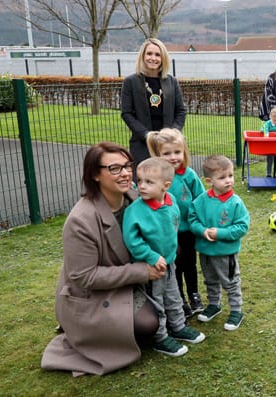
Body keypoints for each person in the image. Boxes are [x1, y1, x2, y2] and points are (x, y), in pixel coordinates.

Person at [41, 142, 165, 376]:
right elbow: (84, 277)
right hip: (92, 293)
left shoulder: (133, 196)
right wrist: (142, 271)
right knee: (149, 323)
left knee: (166, 304)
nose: (126, 173)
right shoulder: (81, 220)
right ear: (95, 175)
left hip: (123, 278)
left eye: (128, 165)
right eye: (115, 168)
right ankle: (79, 335)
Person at [122, 157, 206, 356]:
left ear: (166, 186)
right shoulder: (135, 211)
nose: (141, 186)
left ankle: (178, 326)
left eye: (149, 182)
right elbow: (132, 240)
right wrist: (150, 256)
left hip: (170, 262)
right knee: (156, 301)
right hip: (151, 267)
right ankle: (160, 337)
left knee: (174, 295)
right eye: (140, 180)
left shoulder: (171, 201)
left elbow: (172, 226)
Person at [147, 128, 205, 317]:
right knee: (174, 267)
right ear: (157, 155)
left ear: (184, 152)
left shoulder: (189, 175)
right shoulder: (157, 179)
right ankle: (180, 300)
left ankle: (194, 294)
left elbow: (201, 199)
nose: (173, 157)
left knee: (189, 263)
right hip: (168, 233)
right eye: (166, 153)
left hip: (188, 231)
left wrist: (200, 222)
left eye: (177, 152)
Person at [189, 155, 250, 331]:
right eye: (222, 178)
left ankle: (236, 310)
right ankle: (214, 305)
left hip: (226, 253)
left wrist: (220, 233)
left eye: (230, 175)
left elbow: (242, 227)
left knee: (231, 281)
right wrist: (202, 231)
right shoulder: (200, 200)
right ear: (209, 181)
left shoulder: (236, 203)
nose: (228, 181)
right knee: (210, 280)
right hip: (205, 251)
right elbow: (192, 219)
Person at [121, 38, 187, 175]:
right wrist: (146, 135)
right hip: (142, 143)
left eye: (157, 55)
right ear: (143, 56)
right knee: (146, 182)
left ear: (163, 58)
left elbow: (180, 111)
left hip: (168, 145)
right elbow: (126, 113)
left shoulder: (172, 82)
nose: (153, 58)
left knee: (168, 181)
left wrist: (172, 134)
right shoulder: (130, 82)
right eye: (149, 54)